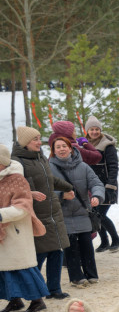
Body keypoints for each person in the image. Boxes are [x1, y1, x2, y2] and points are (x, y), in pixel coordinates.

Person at [11, 126, 73, 301]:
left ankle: (54, 289)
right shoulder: (17, 162)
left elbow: (49, 180)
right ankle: (31, 291)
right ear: (25, 143)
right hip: (36, 214)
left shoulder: (40, 157)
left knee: (57, 251)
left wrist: (67, 186)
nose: (39, 142)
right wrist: (29, 194)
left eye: (39, 138)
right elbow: (15, 188)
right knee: (39, 254)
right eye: (35, 139)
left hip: (53, 211)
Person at [48, 133, 105, 288]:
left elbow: (96, 184)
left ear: (70, 148)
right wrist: (61, 195)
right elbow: (45, 192)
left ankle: (91, 275)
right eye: (57, 147)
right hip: (63, 214)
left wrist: (97, 196)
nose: (61, 149)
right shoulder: (49, 168)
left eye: (64, 146)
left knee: (87, 245)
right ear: (53, 150)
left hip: (82, 212)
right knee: (71, 248)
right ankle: (76, 278)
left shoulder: (83, 166)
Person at [0, 145, 49, 312]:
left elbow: (23, 206)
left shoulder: (17, 179)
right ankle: (14, 300)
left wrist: (1, 215)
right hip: (2, 235)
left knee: (22, 268)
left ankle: (37, 302)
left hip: (16, 231)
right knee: (5, 269)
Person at [84, 115, 119, 252]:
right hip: (93, 186)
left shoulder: (107, 145)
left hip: (106, 186)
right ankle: (105, 241)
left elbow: (113, 166)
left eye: (97, 129)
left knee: (100, 214)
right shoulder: (85, 145)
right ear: (87, 131)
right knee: (95, 213)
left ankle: (116, 239)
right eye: (91, 129)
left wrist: (110, 185)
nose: (94, 132)